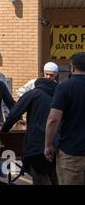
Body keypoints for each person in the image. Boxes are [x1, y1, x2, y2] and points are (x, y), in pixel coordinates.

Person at [2, 77, 58, 185]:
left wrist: (4, 130)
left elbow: (14, 114)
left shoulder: (34, 93)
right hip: (57, 144)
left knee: (39, 175)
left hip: (36, 144)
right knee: (55, 176)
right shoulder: (58, 95)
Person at [45, 52, 85, 185]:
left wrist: (48, 145)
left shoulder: (64, 87)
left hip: (71, 152)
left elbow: (53, 119)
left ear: (72, 67)